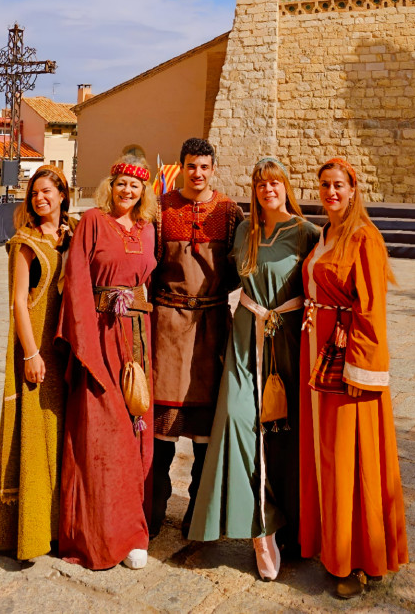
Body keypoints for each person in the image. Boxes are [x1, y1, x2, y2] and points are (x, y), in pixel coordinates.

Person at [189, 157, 320, 581]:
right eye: (261, 184)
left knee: (285, 433)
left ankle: (295, 528)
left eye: (275, 182)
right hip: (246, 338)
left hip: (287, 340)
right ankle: (259, 528)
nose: (268, 190)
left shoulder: (306, 233)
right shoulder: (245, 230)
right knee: (236, 420)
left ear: (286, 187)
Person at [299, 157, 408, 599]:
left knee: (352, 458)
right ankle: (335, 546)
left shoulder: (365, 238)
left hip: (346, 365)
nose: (331, 193)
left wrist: (360, 374)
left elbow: (371, 312)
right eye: (325, 185)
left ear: (353, 188)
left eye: (338, 185)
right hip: (317, 355)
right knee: (328, 457)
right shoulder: (324, 234)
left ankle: (357, 558)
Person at [55, 156, 157, 570]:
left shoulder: (149, 230)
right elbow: (76, 279)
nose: (127, 193)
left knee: (136, 432)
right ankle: (96, 535)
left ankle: (133, 531)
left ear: (143, 192)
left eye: (134, 187)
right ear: (110, 187)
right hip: (98, 335)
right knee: (100, 435)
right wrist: (85, 346)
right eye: (120, 185)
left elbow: (149, 284)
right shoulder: (93, 222)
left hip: (136, 339)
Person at [150, 137, 244, 539]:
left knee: (207, 434)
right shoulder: (159, 210)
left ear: (213, 168)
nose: (198, 173)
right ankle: (151, 513)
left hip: (212, 330)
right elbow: (145, 261)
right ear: (182, 166)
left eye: (205, 166)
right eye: (191, 165)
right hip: (166, 328)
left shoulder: (230, 212)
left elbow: (242, 268)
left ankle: (199, 517)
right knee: (160, 432)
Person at [0, 166, 72, 561]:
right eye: (35, 193)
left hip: (65, 344)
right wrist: (31, 354)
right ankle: (28, 532)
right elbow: (18, 300)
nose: (40, 199)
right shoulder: (25, 242)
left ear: (63, 195)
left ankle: (55, 524)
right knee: (33, 436)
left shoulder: (71, 234)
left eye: (48, 192)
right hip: (37, 348)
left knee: (59, 435)